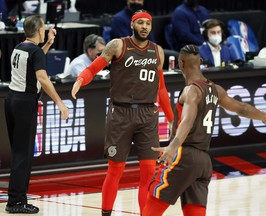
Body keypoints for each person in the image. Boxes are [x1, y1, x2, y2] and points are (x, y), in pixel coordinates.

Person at [142, 44, 266, 216]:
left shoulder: (192, 90)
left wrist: (172, 146)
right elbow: (241, 108)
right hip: (204, 161)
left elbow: (187, 121)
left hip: (184, 155)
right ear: (200, 62)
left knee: (152, 207)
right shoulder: (215, 89)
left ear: (180, 63)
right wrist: (264, 116)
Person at [71, 10, 174, 216]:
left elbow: (161, 89)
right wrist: (81, 79)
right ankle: (106, 213)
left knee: (148, 173)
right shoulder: (118, 45)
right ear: (132, 25)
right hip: (121, 114)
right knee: (115, 171)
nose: (144, 26)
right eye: (140, 23)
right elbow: (94, 68)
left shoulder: (158, 51)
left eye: (148, 23)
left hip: (147, 115)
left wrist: (171, 118)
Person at [4, 15, 69, 214]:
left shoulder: (20, 47)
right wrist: (59, 102)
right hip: (25, 103)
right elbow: (41, 76)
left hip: (12, 100)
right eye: (44, 28)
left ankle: (17, 199)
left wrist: (48, 43)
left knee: (19, 152)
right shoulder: (33, 51)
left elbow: (35, 59)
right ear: (39, 30)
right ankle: (15, 202)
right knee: (23, 154)